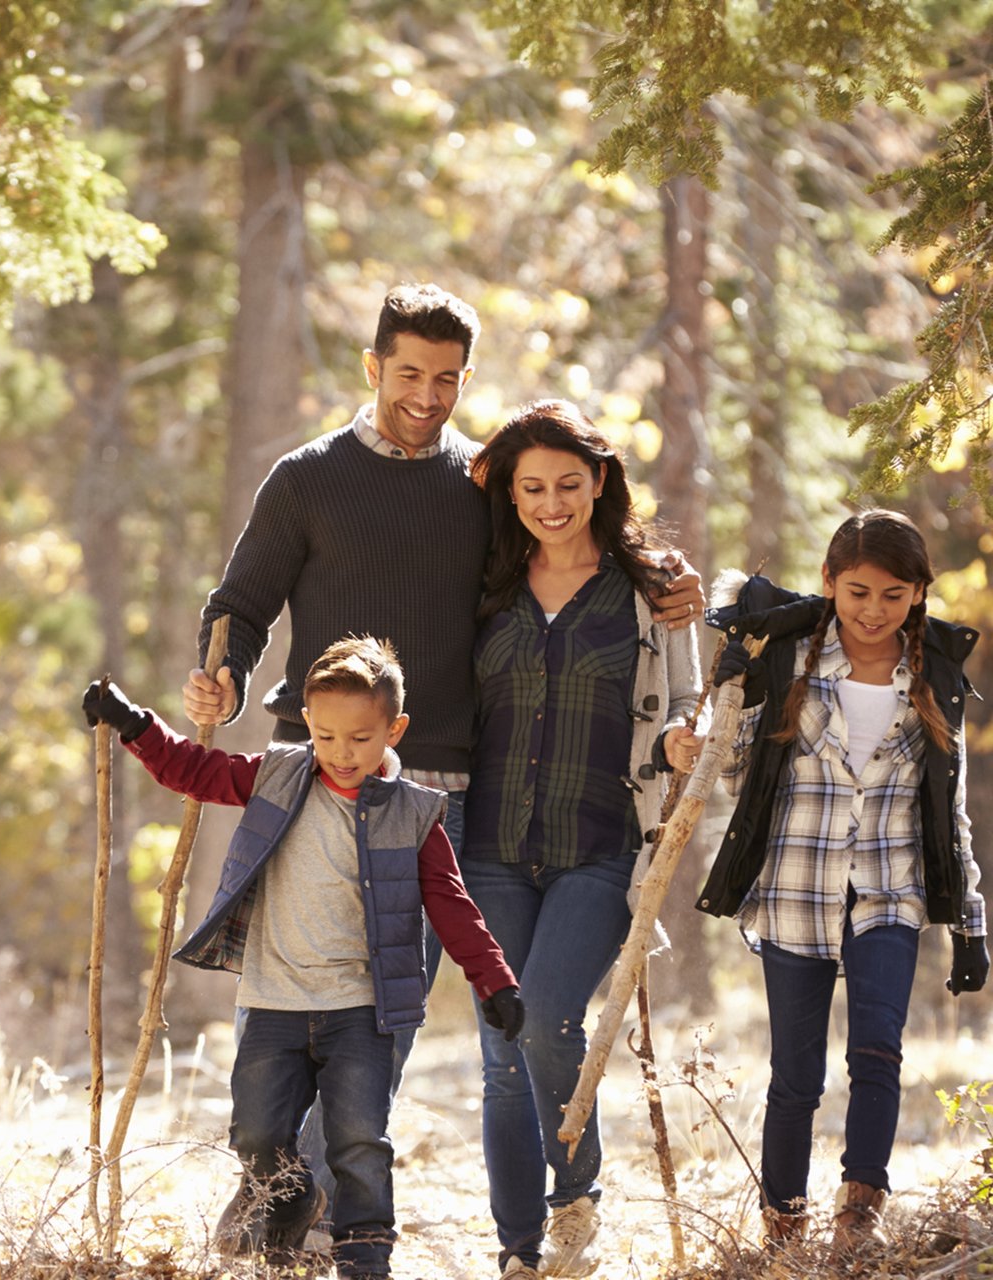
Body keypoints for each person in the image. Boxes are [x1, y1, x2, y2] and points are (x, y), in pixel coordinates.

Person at [181, 283, 703, 1243]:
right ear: (373, 366)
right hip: (317, 780)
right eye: (410, 372)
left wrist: (667, 582)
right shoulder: (306, 478)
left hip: (441, 794)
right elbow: (242, 605)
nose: (427, 394)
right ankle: (277, 1184)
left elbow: (572, 550)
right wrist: (218, 673)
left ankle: (303, 1200)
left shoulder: (481, 485)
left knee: (393, 1009)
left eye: (449, 378)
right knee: (304, 992)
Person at [83, 637, 523, 1280]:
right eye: (326, 736)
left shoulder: (414, 813)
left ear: (394, 730)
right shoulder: (279, 776)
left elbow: (452, 905)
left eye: (361, 738)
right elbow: (195, 771)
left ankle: (365, 1259)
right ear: (308, 726)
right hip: (274, 1002)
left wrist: (495, 981)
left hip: (362, 1012)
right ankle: (291, 1200)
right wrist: (132, 722)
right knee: (255, 1136)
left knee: (358, 1144)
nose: (343, 754)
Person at [695, 509, 988, 1254]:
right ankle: (783, 1226)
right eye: (857, 591)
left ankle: (860, 1213)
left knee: (878, 1053)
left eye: (894, 595)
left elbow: (947, 808)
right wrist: (738, 699)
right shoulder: (790, 661)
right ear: (828, 583)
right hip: (794, 892)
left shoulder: (933, 678)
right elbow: (734, 780)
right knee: (795, 1075)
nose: (873, 610)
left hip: (890, 893)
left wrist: (971, 923)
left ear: (919, 594)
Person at [460, 400, 704, 1280]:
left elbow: (689, 700)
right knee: (499, 1053)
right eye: (533, 487)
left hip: (601, 846)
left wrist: (686, 737)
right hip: (487, 847)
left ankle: (574, 1199)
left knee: (548, 1019)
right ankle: (519, 1251)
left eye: (569, 483)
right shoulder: (484, 580)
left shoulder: (651, 591)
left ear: (599, 482)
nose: (552, 502)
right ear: (513, 495)